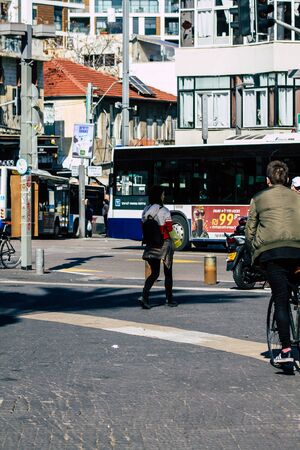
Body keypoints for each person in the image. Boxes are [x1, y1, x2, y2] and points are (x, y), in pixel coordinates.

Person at [245, 160, 300, 365]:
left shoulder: (258, 198)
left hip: (272, 254)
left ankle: (286, 350)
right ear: (286, 179)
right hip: (298, 252)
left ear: (268, 180)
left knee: (281, 300)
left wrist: (254, 256)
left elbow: (250, 231)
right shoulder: (297, 197)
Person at [139, 185, 178, 309]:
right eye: (163, 194)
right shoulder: (164, 210)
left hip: (151, 244)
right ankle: (169, 299)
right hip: (164, 244)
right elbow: (169, 228)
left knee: (154, 273)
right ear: (159, 195)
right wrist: (176, 242)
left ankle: (145, 296)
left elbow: (143, 225)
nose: (164, 196)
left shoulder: (145, 210)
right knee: (168, 273)